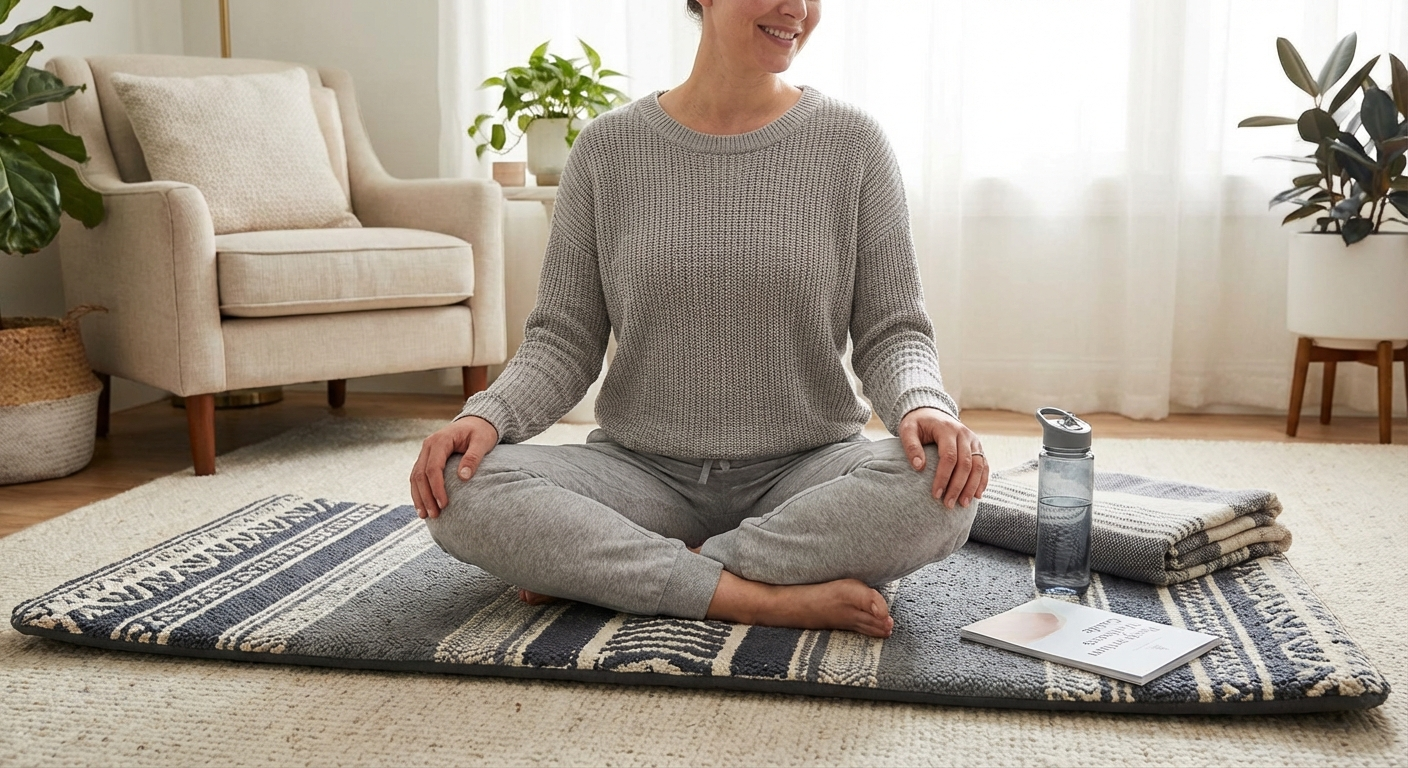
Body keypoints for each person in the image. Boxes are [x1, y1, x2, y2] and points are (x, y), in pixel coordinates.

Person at [409, 0, 988, 639]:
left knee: (942, 485)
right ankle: (753, 596)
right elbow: (564, 339)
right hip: (640, 473)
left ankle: (622, 572)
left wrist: (921, 405)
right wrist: (486, 415)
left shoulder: (853, 144)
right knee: (459, 488)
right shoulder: (607, 149)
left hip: (806, 471)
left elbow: (892, 327)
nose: (797, 9)